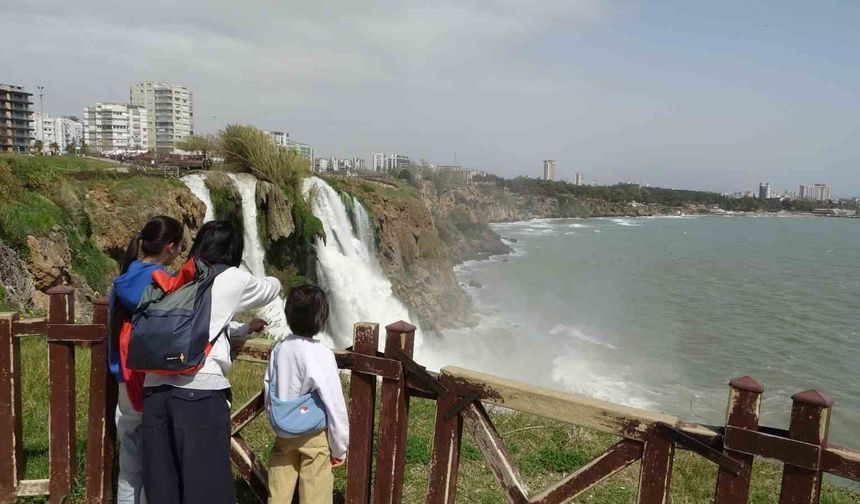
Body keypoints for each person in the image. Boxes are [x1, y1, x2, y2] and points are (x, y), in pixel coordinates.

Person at [141, 220, 281, 504]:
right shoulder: (230, 277)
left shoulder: (178, 276)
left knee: (164, 488)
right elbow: (271, 289)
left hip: (155, 392)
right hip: (199, 396)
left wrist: (238, 329)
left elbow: (197, 324)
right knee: (206, 489)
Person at [108, 216, 185, 504]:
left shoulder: (121, 279)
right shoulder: (164, 280)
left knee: (130, 455)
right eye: (180, 246)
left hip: (124, 375)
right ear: (169, 248)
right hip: (153, 377)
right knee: (157, 455)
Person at [265, 285, 349, 504]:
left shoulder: (279, 348)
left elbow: (269, 387)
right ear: (321, 318)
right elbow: (334, 402)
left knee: (279, 489)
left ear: (288, 315)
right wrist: (339, 446)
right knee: (316, 493)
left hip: (284, 431)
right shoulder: (320, 352)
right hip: (314, 435)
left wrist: (276, 420)